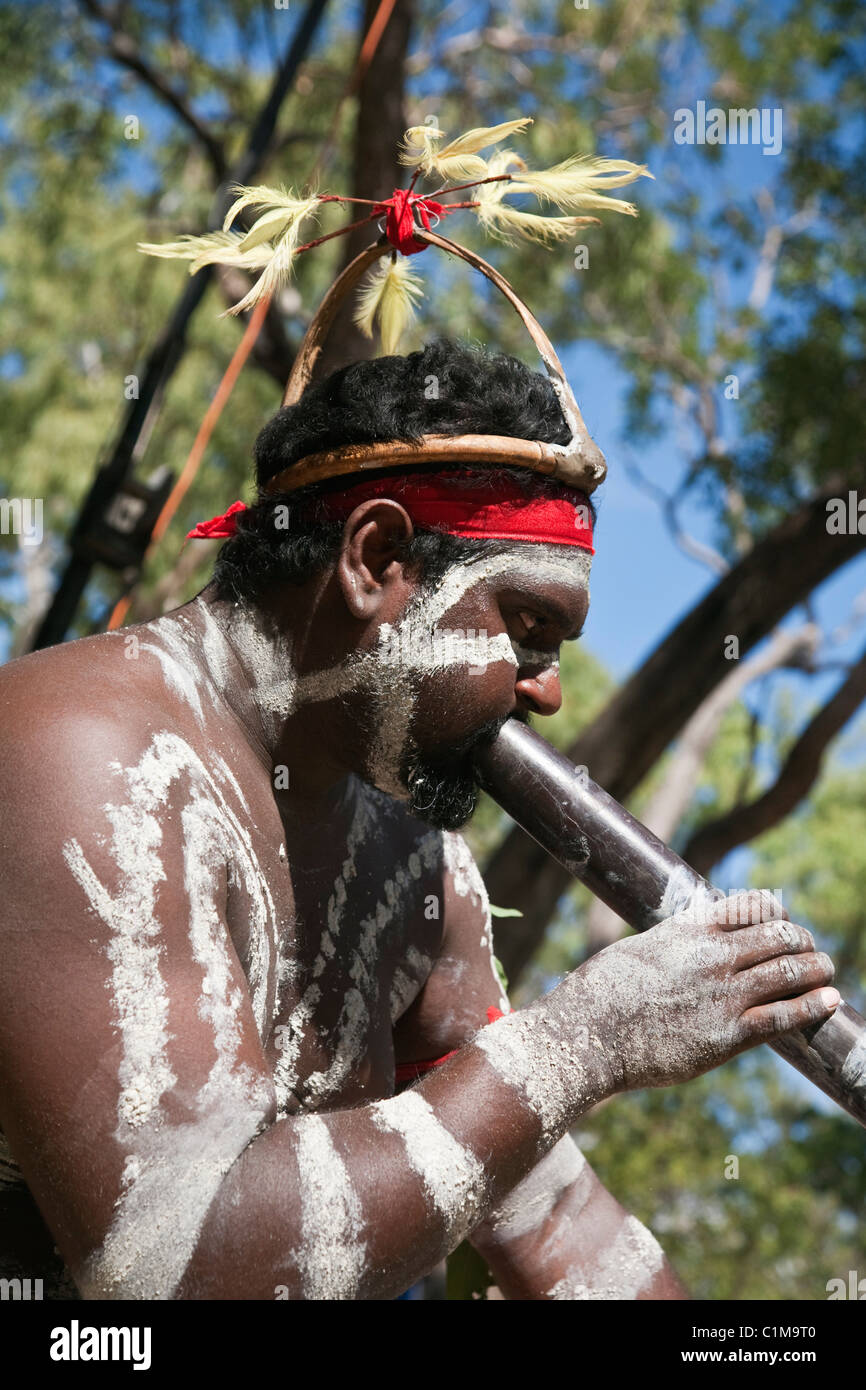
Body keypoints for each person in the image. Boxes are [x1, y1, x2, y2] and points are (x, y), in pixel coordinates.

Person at [0, 339, 839, 1301]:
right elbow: (171, 1267)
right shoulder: (76, 751)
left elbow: (556, 1224)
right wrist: (585, 1043)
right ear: (377, 557)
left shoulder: (415, 863)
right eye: (527, 629)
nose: (551, 692)